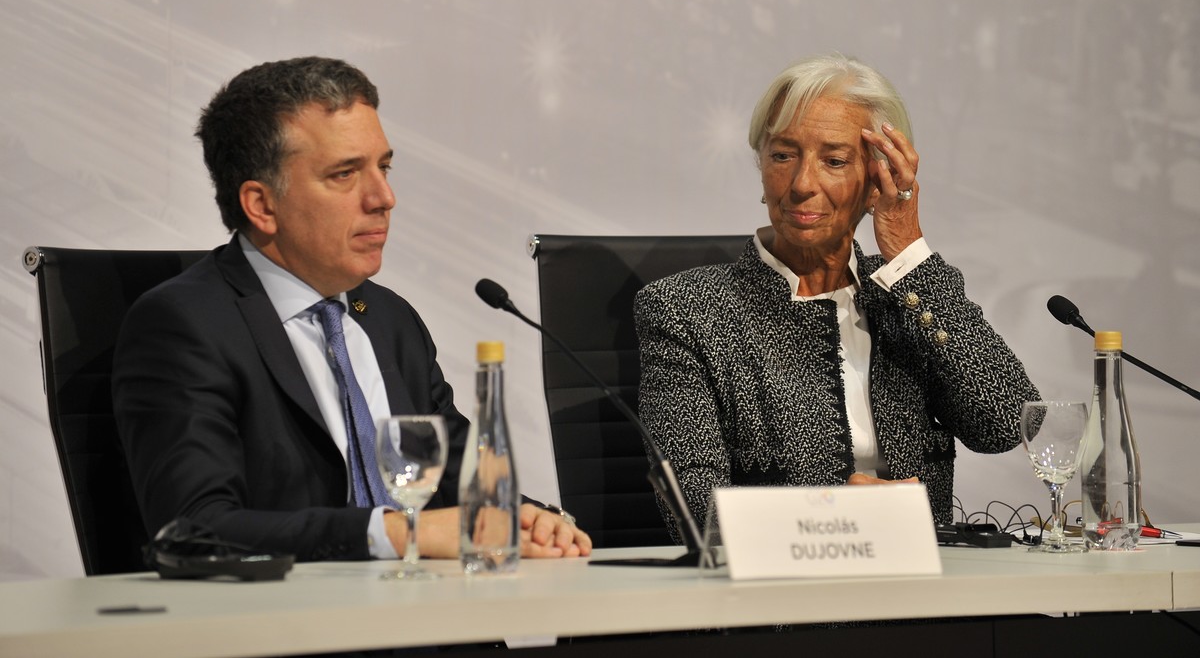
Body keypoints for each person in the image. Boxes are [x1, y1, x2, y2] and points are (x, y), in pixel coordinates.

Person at [113, 57, 590, 562]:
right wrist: (394, 534)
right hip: (297, 630)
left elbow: (456, 479)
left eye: (383, 167)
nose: (384, 197)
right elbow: (196, 530)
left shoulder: (390, 321)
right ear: (262, 205)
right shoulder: (185, 326)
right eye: (344, 174)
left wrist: (522, 516)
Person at [635, 52, 1039, 539]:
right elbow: (693, 514)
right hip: (783, 605)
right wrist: (835, 517)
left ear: (878, 176)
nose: (803, 184)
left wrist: (908, 254)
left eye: (834, 160)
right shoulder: (685, 311)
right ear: (761, 167)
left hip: (922, 601)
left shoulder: (909, 297)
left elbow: (1005, 424)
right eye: (783, 155)